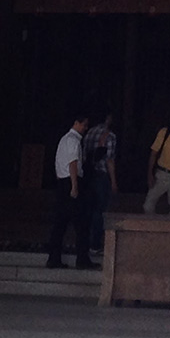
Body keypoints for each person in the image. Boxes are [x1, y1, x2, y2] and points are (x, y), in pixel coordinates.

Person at [47, 113, 95, 270]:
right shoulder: (73, 140)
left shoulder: (63, 140)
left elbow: (58, 163)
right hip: (71, 181)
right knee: (81, 223)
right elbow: (73, 163)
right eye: (84, 125)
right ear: (76, 123)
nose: (85, 128)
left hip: (62, 181)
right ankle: (82, 259)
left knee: (59, 224)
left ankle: (54, 258)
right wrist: (74, 186)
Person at [82, 111, 118, 255]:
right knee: (100, 209)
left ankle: (86, 241)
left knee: (89, 209)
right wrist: (114, 181)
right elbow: (109, 160)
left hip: (88, 174)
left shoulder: (89, 133)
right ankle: (95, 243)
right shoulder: (109, 135)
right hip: (101, 175)